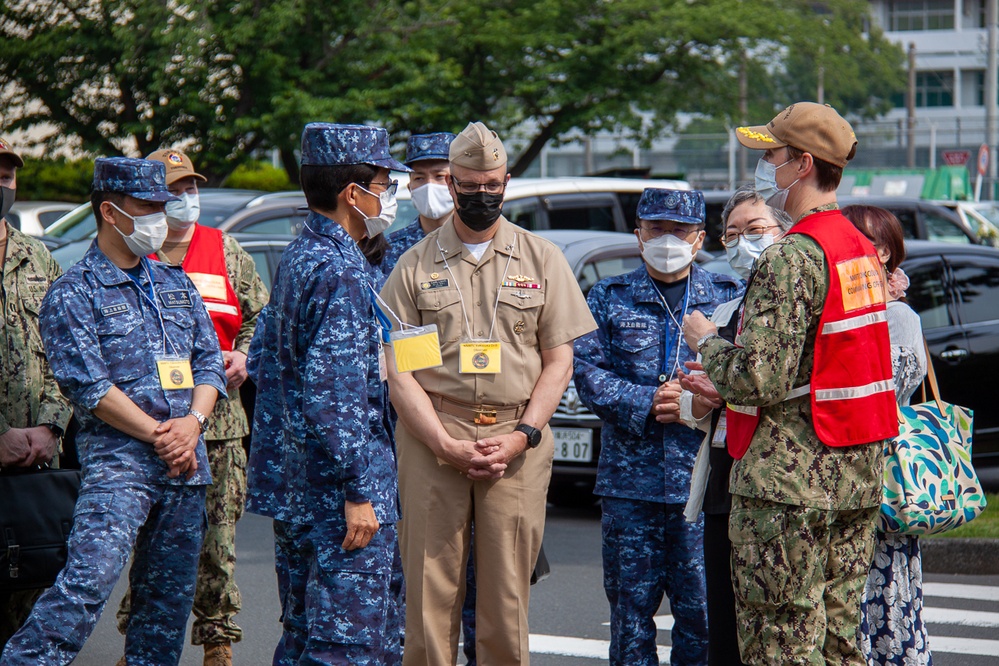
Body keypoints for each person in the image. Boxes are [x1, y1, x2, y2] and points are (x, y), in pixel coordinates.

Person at [681, 102, 898, 665]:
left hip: (788, 484)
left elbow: (759, 378)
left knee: (781, 642)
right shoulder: (858, 249)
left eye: (770, 156)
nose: (764, 167)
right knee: (838, 641)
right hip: (854, 471)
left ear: (802, 165)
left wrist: (706, 340)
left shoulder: (792, 257)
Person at [380, 120, 596, 666]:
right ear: (450, 184)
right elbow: (402, 373)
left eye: (492, 187)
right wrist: (442, 443)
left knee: (506, 597)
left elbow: (558, 360)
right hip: (435, 437)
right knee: (429, 596)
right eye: (470, 187)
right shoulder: (414, 265)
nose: (482, 197)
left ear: (506, 183)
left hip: (516, 438)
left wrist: (523, 436)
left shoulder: (542, 259)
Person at [2, 157, 226, 665]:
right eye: (147, 207)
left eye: (161, 207)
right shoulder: (74, 291)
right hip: (121, 469)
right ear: (109, 210)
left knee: (164, 610)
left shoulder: (174, 283)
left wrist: (192, 425)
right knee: (82, 590)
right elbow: (88, 385)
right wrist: (161, 435)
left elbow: (209, 363)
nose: (160, 218)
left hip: (186, 466)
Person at [245, 122, 408, 666]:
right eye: (383, 184)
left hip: (298, 487)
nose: (388, 197)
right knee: (348, 645)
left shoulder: (299, 256)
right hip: (338, 497)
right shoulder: (338, 270)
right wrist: (358, 490)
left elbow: (268, 361)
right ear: (352, 192)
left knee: (301, 635)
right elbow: (334, 399)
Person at [112, 148, 269, 666]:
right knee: (149, 541)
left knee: (218, 539)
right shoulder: (133, 253)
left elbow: (261, 318)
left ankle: (217, 637)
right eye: (173, 191)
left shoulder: (225, 250)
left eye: (190, 189)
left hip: (217, 424)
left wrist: (245, 355)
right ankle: (140, 642)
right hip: (148, 424)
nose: (184, 200)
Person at [572, 188, 742, 666]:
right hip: (631, 489)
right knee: (630, 618)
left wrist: (700, 400)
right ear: (638, 234)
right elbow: (585, 371)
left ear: (699, 238)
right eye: (656, 229)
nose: (667, 238)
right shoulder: (607, 296)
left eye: (679, 230)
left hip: (702, 486)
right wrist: (646, 400)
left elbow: (751, 374)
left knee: (703, 618)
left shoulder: (729, 297)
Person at [675, 186, 790, 666]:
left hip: (776, 481)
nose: (743, 244)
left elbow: (772, 384)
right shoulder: (723, 313)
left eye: (757, 231)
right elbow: (692, 401)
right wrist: (699, 400)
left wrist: (727, 380)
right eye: (733, 234)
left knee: (775, 625)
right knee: (723, 622)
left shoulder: (792, 306)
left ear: (785, 234)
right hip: (725, 480)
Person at [842, 205, 930, 666]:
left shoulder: (895, 316)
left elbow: (878, 392)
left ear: (881, 253)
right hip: (853, 477)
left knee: (880, 603)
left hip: (882, 479)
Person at [0, 137, 73, 651]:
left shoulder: (40, 260)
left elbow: (68, 354)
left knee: (32, 611)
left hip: (35, 468)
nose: (0, 185)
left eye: (6, 176)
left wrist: (50, 426)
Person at [382, 132, 456, 276]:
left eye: (439, 176)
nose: (429, 185)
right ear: (410, 187)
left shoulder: (474, 242)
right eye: (419, 178)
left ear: (456, 183)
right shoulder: (390, 249)